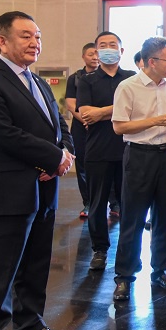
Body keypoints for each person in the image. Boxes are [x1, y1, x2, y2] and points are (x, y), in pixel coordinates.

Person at [0, 11, 75, 330]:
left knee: (35, 264)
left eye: (38, 36)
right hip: (7, 191)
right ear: (2, 41)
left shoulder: (39, 82)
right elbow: (4, 134)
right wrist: (52, 157)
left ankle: (29, 327)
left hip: (44, 188)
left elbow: (59, 126)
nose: (35, 42)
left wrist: (64, 153)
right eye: (26, 36)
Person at [111, 36, 166, 301]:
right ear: (151, 61)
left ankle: (161, 271)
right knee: (133, 218)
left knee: (165, 216)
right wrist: (154, 121)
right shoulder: (128, 87)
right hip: (140, 155)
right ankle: (124, 276)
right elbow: (119, 126)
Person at [76, 31, 135, 271]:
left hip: (129, 149)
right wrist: (120, 108)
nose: (108, 48)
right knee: (97, 203)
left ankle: (128, 249)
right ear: (96, 51)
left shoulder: (131, 78)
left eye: (113, 44)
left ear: (122, 51)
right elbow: (86, 113)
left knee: (129, 203)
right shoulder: (86, 80)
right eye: (103, 45)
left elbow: (137, 109)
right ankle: (99, 250)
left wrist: (102, 112)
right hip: (98, 150)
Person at [65, 42, 99, 218]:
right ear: (83, 57)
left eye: (97, 53)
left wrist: (97, 118)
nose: (95, 57)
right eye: (90, 54)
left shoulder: (109, 76)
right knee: (83, 165)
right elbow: (71, 105)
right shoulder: (75, 78)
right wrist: (87, 120)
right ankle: (88, 202)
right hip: (81, 127)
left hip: (104, 127)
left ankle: (115, 203)